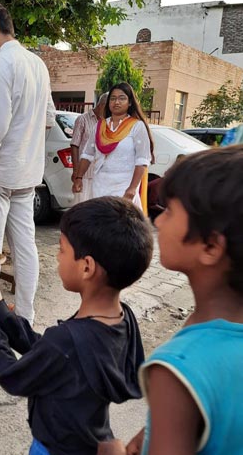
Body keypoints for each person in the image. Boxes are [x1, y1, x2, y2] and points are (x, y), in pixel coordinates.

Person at [0, 196, 154, 455]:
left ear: (87, 267)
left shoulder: (68, 340)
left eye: (62, 249)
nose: (57, 258)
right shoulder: (123, 319)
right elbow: (48, 353)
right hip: (91, 441)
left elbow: (11, 375)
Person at [126, 146, 243, 455]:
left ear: (209, 246)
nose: (159, 222)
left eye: (169, 211)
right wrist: (154, 430)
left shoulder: (177, 369)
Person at [0, 2, 53, 323]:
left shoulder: (0, 64)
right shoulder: (37, 64)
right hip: (28, 171)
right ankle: (26, 314)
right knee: (25, 245)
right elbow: (48, 118)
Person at [74, 82, 154, 212]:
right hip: (100, 185)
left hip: (124, 186)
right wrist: (78, 178)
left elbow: (142, 161)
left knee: (120, 226)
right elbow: (87, 155)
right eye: (113, 98)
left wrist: (133, 188)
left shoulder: (137, 127)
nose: (116, 102)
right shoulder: (100, 126)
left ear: (129, 102)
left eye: (122, 98)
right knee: (100, 224)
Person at [70, 92, 108, 202]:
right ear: (102, 105)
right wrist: (76, 172)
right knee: (81, 207)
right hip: (84, 175)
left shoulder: (106, 123)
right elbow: (74, 145)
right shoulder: (82, 119)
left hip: (100, 175)